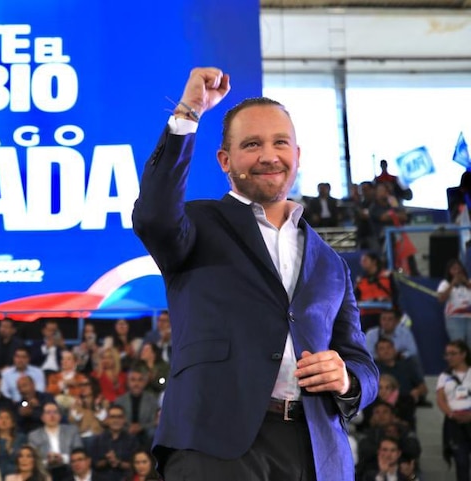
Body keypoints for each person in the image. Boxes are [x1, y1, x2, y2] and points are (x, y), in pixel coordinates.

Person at [131, 67, 378, 480]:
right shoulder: (195, 225)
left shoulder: (330, 261)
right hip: (215, 445)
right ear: (225, 161)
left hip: (318, 452)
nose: (269, 155)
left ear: (298, 155)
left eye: (281, 142)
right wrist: (189, 111)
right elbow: (153, 215)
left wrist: (347, 379)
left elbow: (361, 361)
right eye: (252, 144)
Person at [437, 340, 471, 481]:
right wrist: (450, 414)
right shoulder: (444, 376)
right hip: (454, 422)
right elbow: (440, 399)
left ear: (463, 354)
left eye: (453, 353)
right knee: (461, 461)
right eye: (447, 354)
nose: (449, 357)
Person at [438, 258, 471, 346]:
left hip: (470, 317)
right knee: (458, 346)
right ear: (449, 271)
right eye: (454, 269)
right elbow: (441, 299)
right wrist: (452, 284)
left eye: (459, 268)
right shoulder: (445, 283)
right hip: (455, 318)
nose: (457, 271)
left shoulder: (469, 281)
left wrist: (466, 283)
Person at [0, 408, 26, 477]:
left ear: (13, 422)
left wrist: (10, 451)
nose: (4, 421)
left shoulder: (20, 439)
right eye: (0, 418)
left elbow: (23, 460)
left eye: (7, 418)